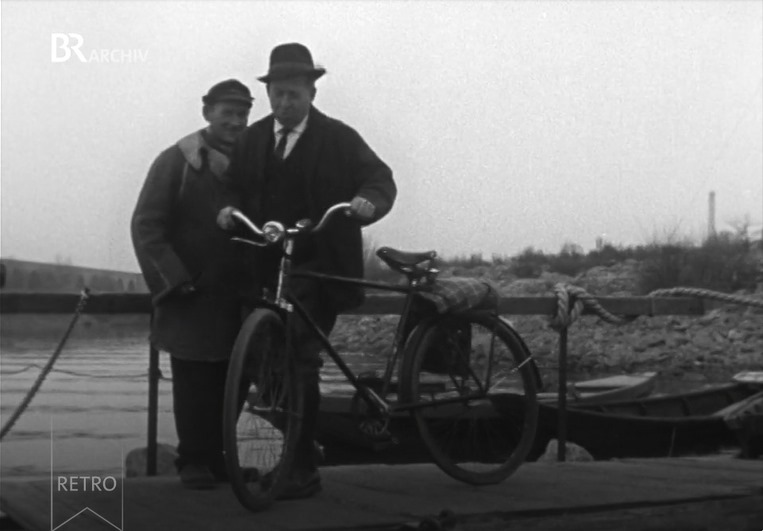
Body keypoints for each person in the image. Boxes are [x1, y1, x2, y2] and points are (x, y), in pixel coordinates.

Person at [219, 42, 397, 499]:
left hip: (320, 267)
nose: (284, 103)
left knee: (300, 358)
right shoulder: (253, 139)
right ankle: (280, 451)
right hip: (264, 267)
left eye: (293, 94)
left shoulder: (339, 138)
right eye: (277, 94)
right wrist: (227, 210)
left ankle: (301, 469)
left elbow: (380, 178)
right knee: (258, 358)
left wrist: (367, 202)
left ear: (312, 93)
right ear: (269, 94)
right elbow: (233, 188)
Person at [131, 80, 254, 490]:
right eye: (227, 113)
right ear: (207, 113)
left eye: (242, 114)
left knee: (236, 378)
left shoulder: (254, 164)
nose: (235, 122)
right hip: (192, 295)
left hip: (241, 296)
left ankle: (220, 460)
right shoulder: (176, 161)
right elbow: (147, 225)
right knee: (194, 380)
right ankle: (194, 460)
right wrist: (174, 278)